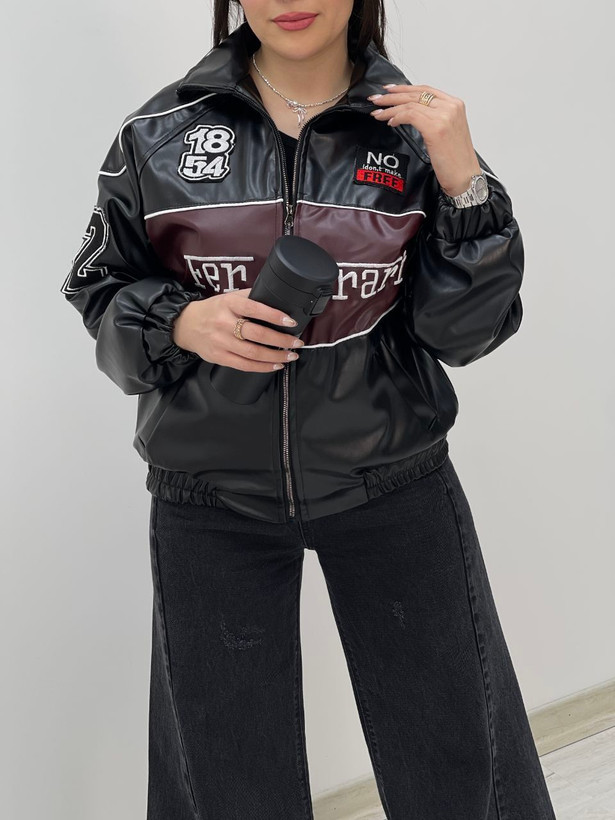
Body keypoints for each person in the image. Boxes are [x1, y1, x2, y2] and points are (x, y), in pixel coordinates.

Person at [60, 1, 558, 818]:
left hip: (393, 480)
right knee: (225, 783)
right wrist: (179, 322)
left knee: (461, 763)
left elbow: (462, 334)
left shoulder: (415, 135)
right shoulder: (159, 132)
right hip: (208, 497)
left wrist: (464, 181)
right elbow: (98, 289)